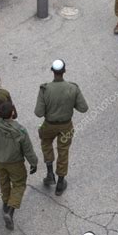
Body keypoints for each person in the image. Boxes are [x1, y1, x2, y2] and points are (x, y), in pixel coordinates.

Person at [34, 59, 88, 196]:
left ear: (52, 71)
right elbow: (83, 108)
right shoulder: (73, 88)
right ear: (64, 71)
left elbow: (38, 113)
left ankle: (50, 173)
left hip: (49, 125)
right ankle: (60, 183)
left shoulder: (44, 89)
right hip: (66, 126)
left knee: (46, 144)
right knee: (63, 152)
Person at [0, 102, 38, 230]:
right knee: (19, 184)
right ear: (12, 113)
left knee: (4, 182)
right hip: (15, 163)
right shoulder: (20, 130)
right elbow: (28, 150)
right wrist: (33, 163)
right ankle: (10, 211)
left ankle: (5, 203)